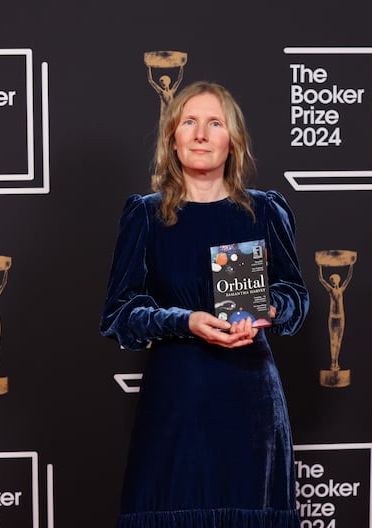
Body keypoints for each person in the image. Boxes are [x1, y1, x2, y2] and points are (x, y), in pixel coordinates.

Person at [100, 80, 309, 527]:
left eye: (214, 123)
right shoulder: (146, 215)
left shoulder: (265, 210)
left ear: (232, 140)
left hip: (250, 399)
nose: (201, 133)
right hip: (178, 399)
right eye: (189, 122)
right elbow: (120, 314)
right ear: (172, 139)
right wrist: (186, 320)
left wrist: (270, 309)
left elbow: (296, 294)